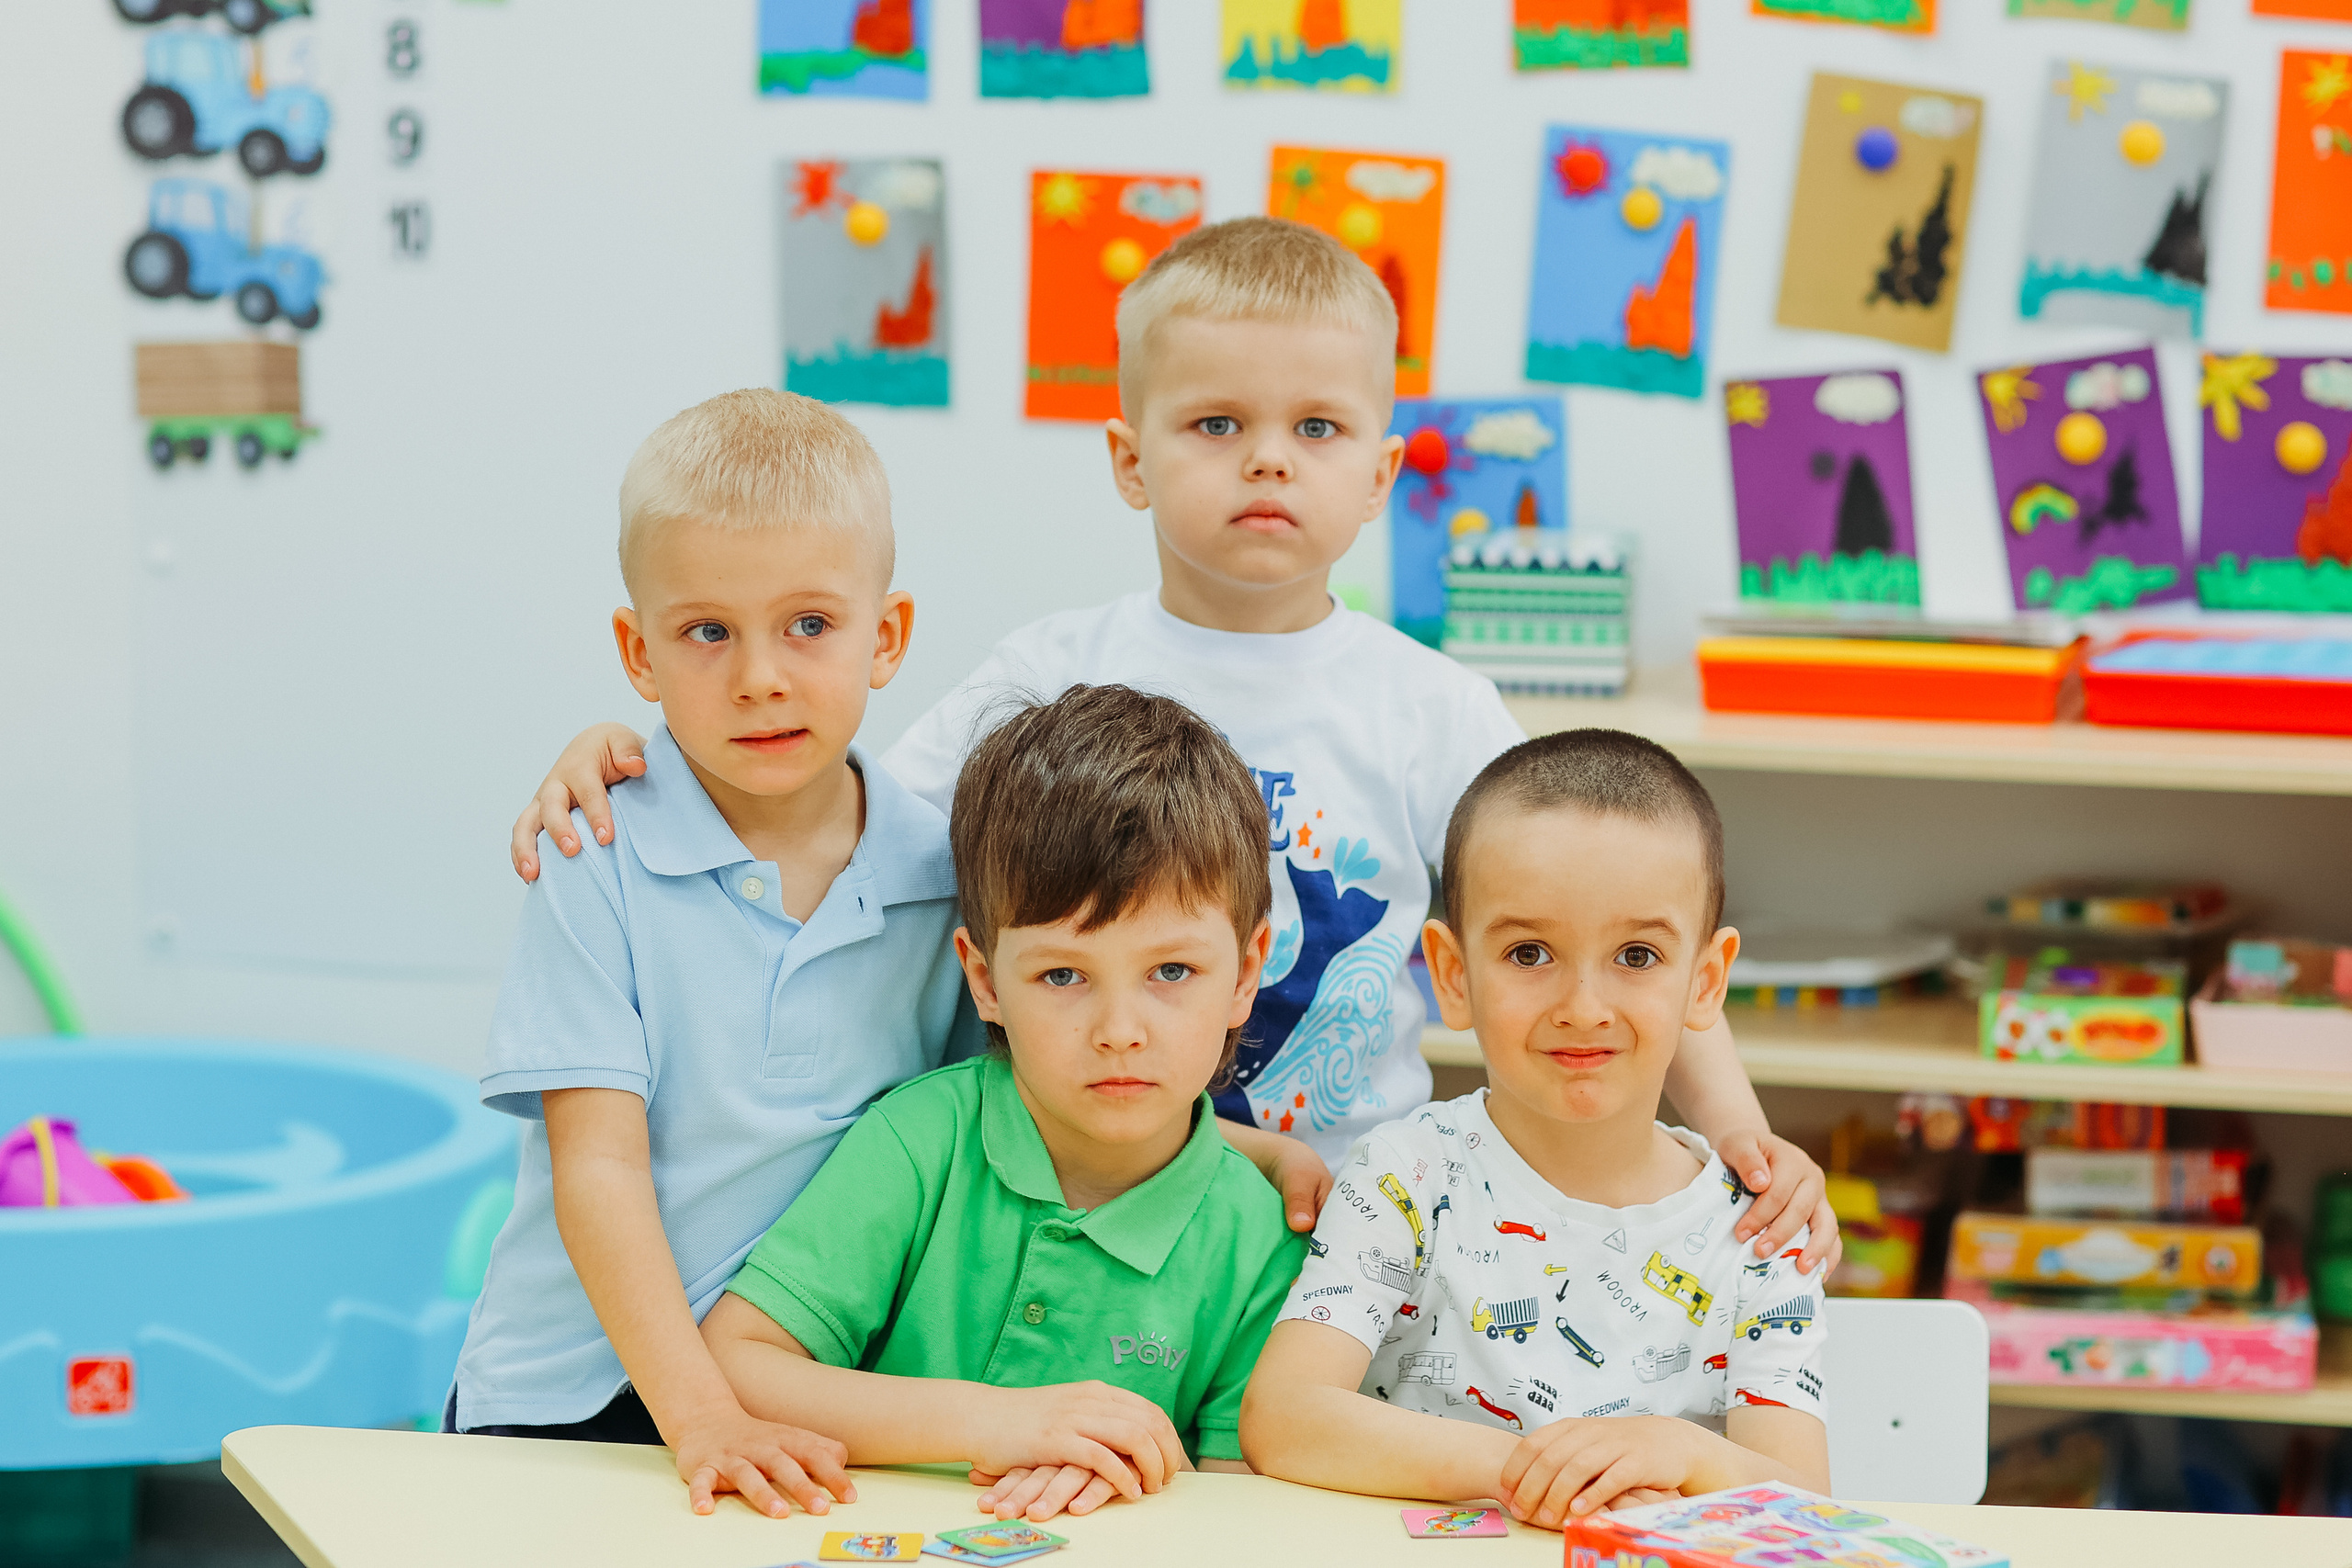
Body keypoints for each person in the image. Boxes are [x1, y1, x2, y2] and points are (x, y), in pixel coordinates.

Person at [503, 217, 1835, 1272]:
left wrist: (1734, 1130)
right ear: (1130, 458)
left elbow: (1625, 915)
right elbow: (824, 810)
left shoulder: (1435, 710)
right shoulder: (1052, 670)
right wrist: (634, 751)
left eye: (1316, 428)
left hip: (1345, 1222)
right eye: (1216, 426)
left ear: (1381, 473)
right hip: (1076, 1216)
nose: (1268, 462)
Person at [448, 389, 981, 1522]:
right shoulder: (593, 851)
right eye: (707, 633)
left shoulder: (944, 871)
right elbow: (599, 1166)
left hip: (812, 1391)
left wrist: (1234, 1150)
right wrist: (700, 1417)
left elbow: (991, 1120)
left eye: (809, 625)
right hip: (568, 1394)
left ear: (884, 638)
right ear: (638, 653)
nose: (759, 678)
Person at [699, 684, 1307, 1525]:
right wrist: (998, 1423)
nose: (1120, 1031)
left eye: (1171, 972)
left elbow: (1237, 1506)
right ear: (984, 979)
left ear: (1245, 974)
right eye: (1064, 974)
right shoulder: (922, 1142)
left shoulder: (1264, 1240)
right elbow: (734, 1363)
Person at [1238, 730, 1830, 1529]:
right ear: (1453, 975)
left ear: (1706, 980)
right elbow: (1284, 1417)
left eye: (1636, 954)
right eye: (1528, 951)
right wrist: (1536, 1470)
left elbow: (1805, 1506)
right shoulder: (1402, 1176)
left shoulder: (1763, 1229)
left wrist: (1683, 1452)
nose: (1583, 1004)